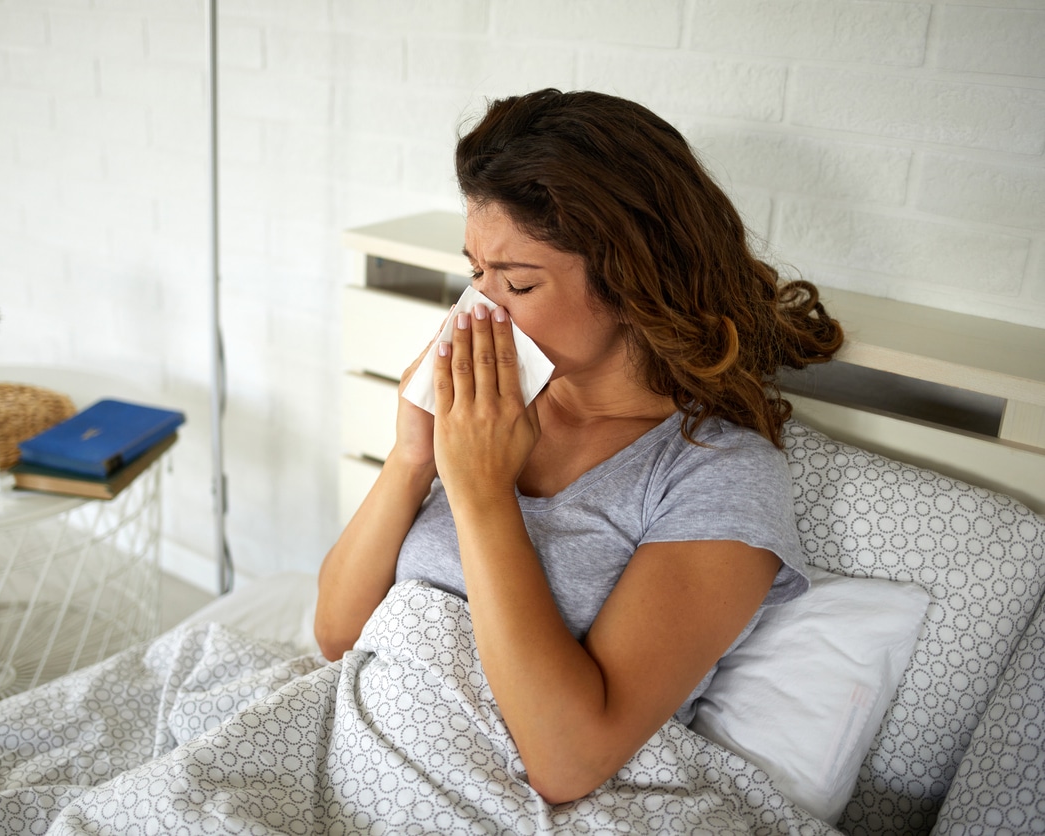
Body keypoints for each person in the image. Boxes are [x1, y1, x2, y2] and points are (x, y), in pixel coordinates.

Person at [315, 88, 844, 805]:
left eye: (518, 281)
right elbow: (337, 636)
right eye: (476, 273)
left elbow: (567, 762)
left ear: (633, 279)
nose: (482, 311)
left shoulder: (718, 474)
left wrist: (480, 493)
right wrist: (413, 455)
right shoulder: (494, 412)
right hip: (352, 748)